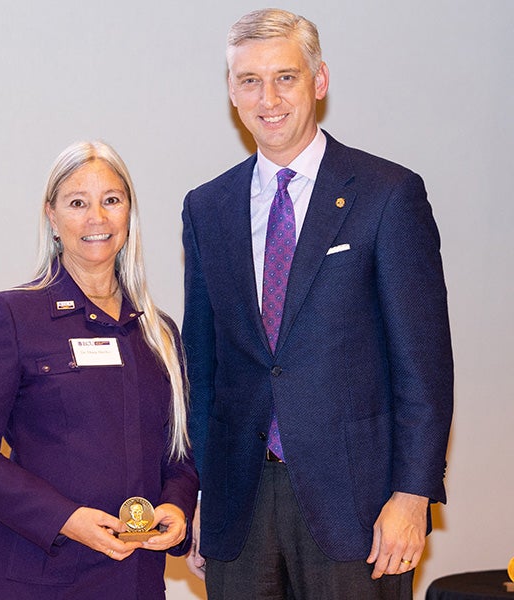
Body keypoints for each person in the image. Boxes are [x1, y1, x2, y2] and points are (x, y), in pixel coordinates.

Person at [182, 8, 453, 600]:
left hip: (358, 509)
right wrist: (200, 493)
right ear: (231, 91)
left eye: (286, 77)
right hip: (239, 507)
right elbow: (202, 371)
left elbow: (424, 366)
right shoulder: (207, 208)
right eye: (249, 80)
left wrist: (412, 495)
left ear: (319, 81)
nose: (268, 97)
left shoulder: (387, 195)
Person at [0, 141, 199, 600]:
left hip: (137, 581)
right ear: (52, 217)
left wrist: (177, 510)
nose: (97, 218)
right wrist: (65, 518)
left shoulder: (160, 333)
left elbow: (179, 455)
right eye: (78, 203)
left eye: (111, 201)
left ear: (129, 215)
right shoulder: (13, 316)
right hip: (41, 577)